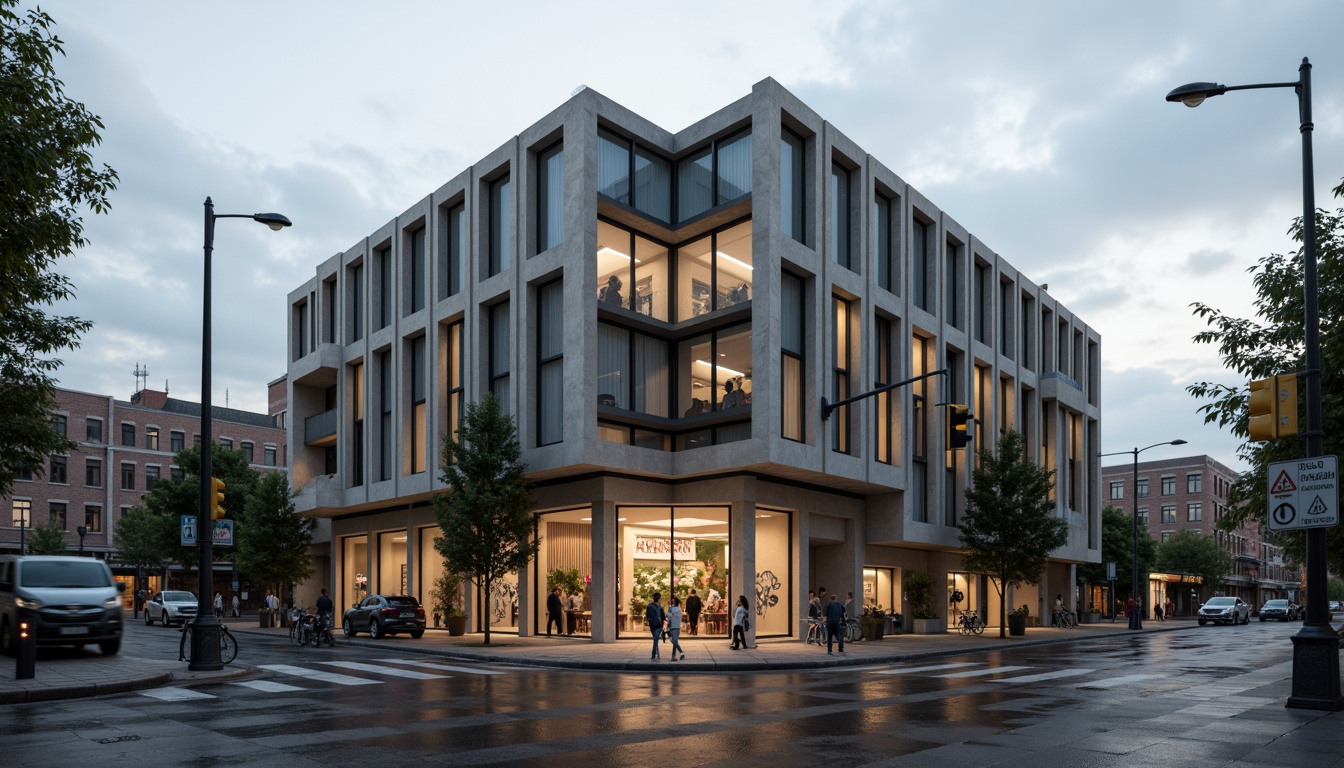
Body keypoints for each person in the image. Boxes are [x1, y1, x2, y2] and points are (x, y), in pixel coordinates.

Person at [646, 592, 665, 660]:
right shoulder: (660, 607)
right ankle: (654, 654)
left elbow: (647, 616)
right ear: (659, 599)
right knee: (656, 640)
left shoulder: (649, 606)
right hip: (658, 625)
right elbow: (663, 617)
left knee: (655, 639)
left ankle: (656, 654)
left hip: (652, 625)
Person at [666, 596, 686, 661]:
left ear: (674, 602)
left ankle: (681, 652)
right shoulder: (678, 609)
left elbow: (668, 615)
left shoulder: (672, 609)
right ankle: (673, 656)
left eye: (672, 601)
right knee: (675, 641)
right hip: (676, 626)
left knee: (674, 641)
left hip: (672, 626)